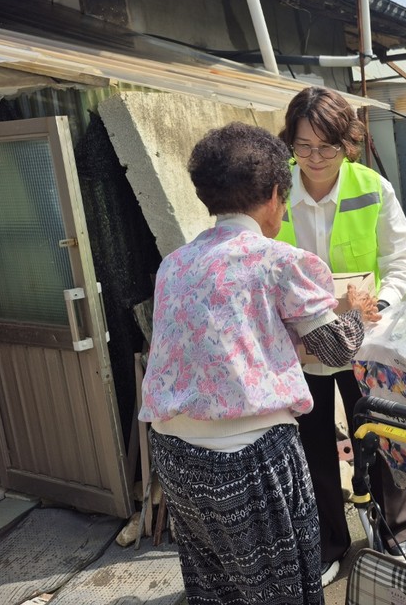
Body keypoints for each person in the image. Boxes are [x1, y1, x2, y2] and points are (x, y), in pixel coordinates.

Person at [140, 122, 376, 605]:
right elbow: (334, 350)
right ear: (274, 194)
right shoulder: (280, 261)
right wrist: (360, 316)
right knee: (280, 589)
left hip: (174, 456)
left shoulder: (175, 264)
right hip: (247, 458)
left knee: (215, 587)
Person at [277, 86, 406, 587]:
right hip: (303, 347)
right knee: (312, 448)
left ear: (348, 144)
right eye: (303, 146)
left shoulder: (373, 188)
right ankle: (329, 543)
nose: (315, 159)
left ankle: (394, 533)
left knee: (378, 437)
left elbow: (402, 259)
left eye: (327, 147)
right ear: (289, 144)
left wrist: (381, 305)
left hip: (364, 341)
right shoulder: (276, 191)